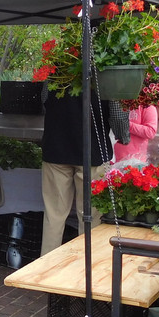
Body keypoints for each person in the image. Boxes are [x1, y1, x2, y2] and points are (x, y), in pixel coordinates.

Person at [40, 87, 111, 254]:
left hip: (55, 147)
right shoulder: (102, 67)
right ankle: (88, 268)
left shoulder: (55, 66)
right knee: (91, 217)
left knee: (53, 215)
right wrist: (123, 134)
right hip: (93, 151)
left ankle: (46, 268)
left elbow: (44, 99)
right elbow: (117, 111)